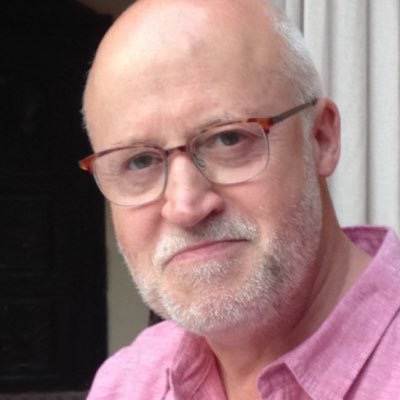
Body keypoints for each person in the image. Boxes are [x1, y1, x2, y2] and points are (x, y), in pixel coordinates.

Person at [80, 0, 400, 398]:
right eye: (139, 161)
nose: (185, 206)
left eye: (228, 139)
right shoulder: (125, 383)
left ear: (321, 138)